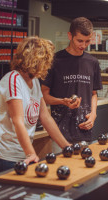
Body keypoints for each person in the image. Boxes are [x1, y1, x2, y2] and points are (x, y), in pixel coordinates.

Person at [0, 36, 71, 176]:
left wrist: (66, 147)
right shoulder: (13, 80)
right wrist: (31, 154)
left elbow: (45, 117)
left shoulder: (35, 81)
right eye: (45, 61)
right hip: (4, 157)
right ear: (34, 60)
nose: (47, 66)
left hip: (22, 156)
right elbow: (17, 121)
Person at [41, 17, 102, 145]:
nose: (83, 45)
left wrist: (93, 115)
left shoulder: (93, 62)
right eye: (80, 41)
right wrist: (62, 102)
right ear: (70, 36)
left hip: (85, 131)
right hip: (59, 133)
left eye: (87, 41)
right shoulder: (54, 61)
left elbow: (94, 94)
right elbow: (43, 96)